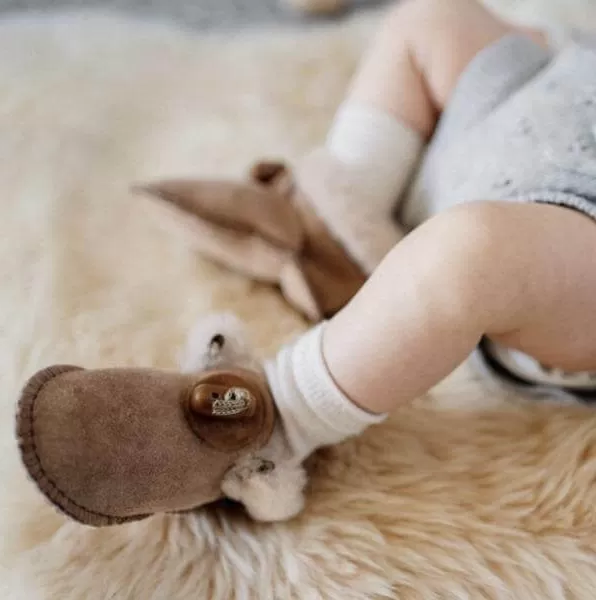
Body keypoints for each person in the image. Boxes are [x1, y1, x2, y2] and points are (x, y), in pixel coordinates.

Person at [193, 0, 596, 466]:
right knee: (436, 18)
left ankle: (274, 419)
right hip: (546, 99)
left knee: (473, 254)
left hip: (572, 244)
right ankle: (334, 220)